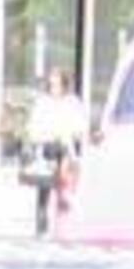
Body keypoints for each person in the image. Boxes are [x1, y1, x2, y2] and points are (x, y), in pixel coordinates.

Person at [22, 67, 87, 236]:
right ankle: (41, 226)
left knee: (65, 188)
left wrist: (73, 135)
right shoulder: (43, 101)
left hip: (66, 148)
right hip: (47, 147)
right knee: (44, 188)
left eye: (57, 84)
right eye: (51, 84)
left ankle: (62, 226)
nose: (54, 88)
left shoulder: (72, 101)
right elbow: (34, 125)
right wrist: (38, 137)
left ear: (63, 84)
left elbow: (79, 125)